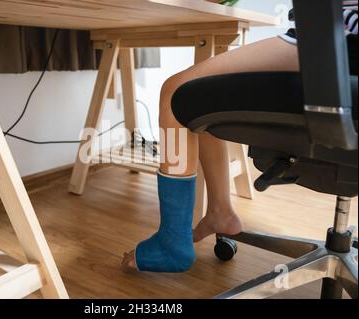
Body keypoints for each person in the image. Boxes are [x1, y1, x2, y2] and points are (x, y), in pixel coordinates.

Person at [122, 1, 358, 272]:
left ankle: (171, 244)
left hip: (337, 44)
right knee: (202, 97)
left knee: (176, 92)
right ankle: (220, 211)